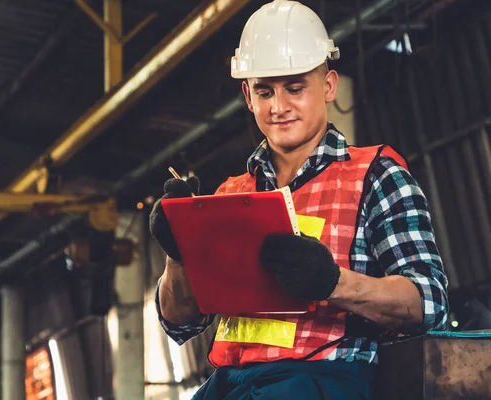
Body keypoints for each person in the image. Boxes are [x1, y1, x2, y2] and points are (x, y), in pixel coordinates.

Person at [149, 1, 449, 398]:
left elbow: (428, 301)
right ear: (247, 95)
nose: (279, 106)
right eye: (264, 91)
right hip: (231, 385)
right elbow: (181, 322)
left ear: (328, 86)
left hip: (324, 381)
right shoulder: (229, 195)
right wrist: (178, 255)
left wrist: (334, 283)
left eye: (295, 87)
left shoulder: (375, 175)